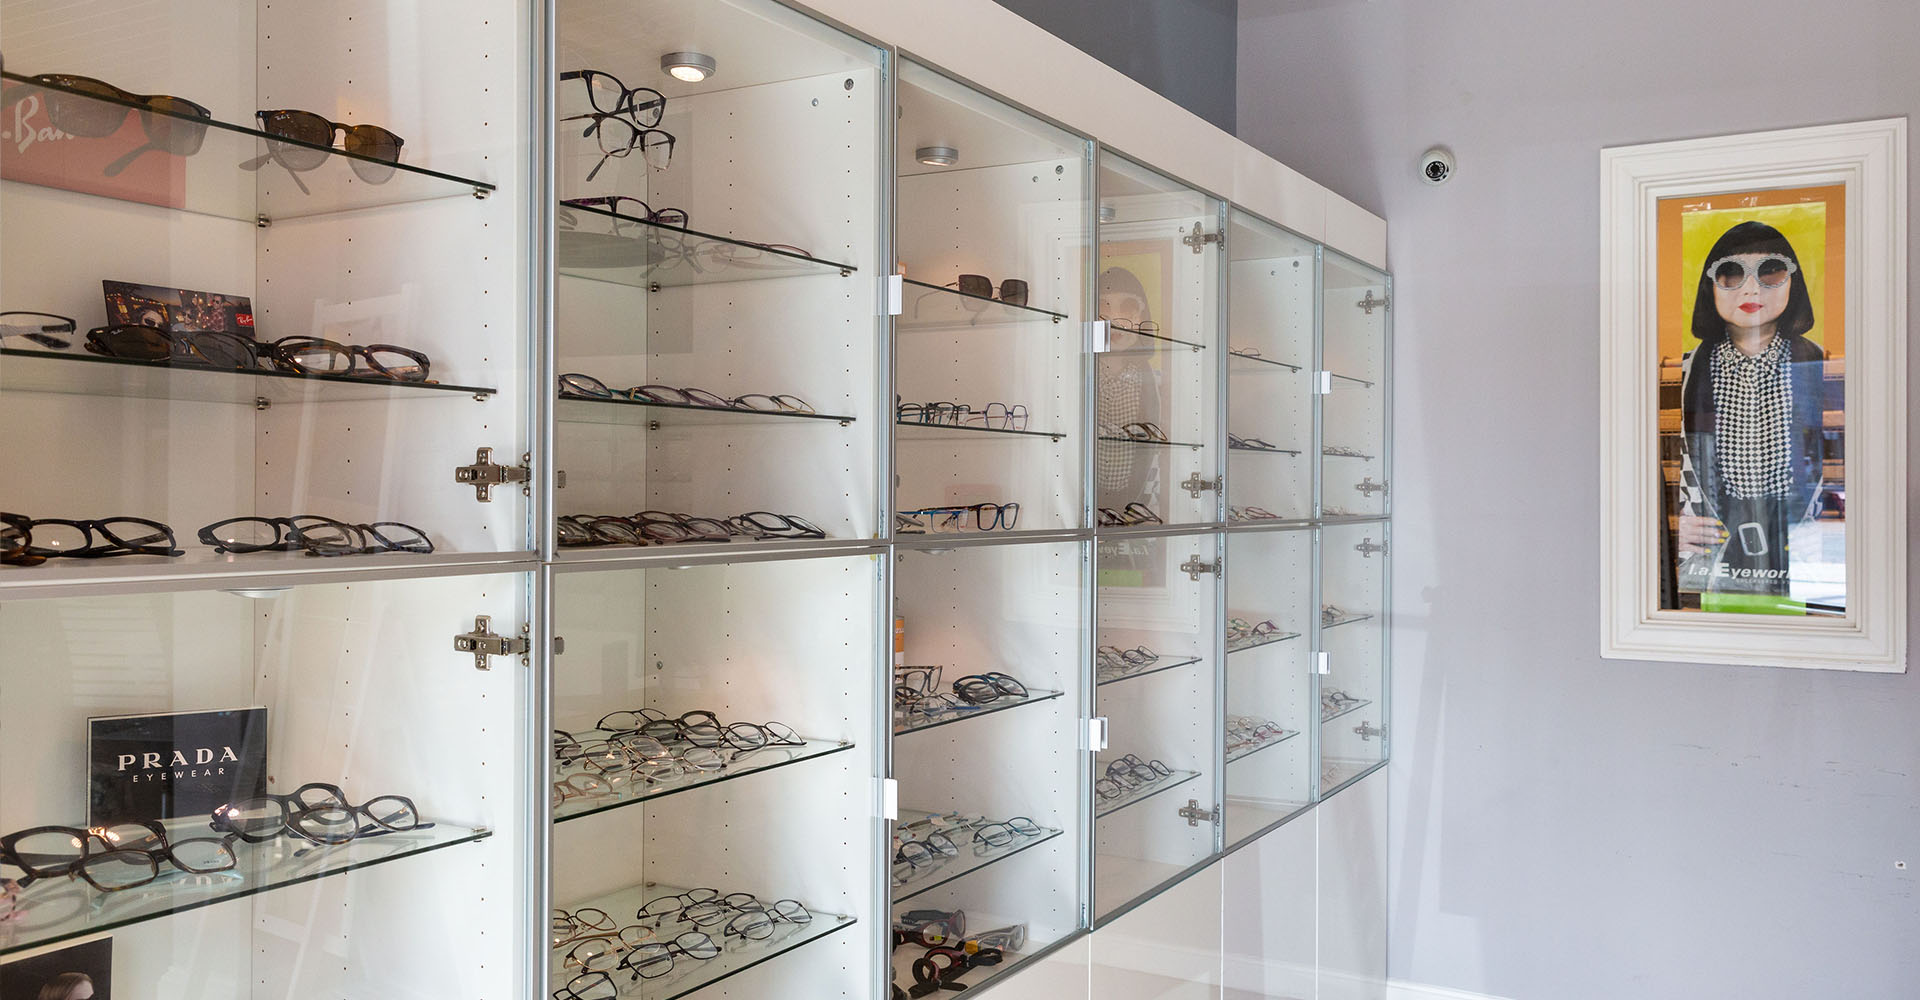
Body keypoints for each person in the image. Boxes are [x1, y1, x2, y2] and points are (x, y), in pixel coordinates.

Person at [1673, 220, 1826, 604]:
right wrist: (1673, 522)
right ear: (1710, 287)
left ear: (1794, 281)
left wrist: (1831, 526)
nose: (1751, 288)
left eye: (1771, 271)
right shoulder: (1685, 370)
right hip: (1715, 552)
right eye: (1731, 274)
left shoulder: (1822, 365)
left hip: (1803, 549)